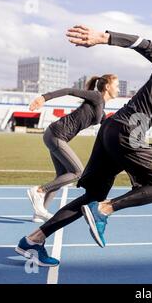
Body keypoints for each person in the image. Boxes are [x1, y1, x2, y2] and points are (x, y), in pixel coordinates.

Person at [15, 25, 152, 267]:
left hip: (111, 131)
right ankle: (105, 210)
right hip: (126, 132)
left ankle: (33, 240)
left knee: (93, 195)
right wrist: (102, 37)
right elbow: (144, 44)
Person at [26, 74, 120, 223]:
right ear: (107, 87)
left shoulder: (101, 108)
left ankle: (40, 211)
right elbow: (69, 90)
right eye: (117, 85)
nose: (119, 89)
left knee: (62, 176)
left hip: (57, 136)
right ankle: (39, 191)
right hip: (56, 135)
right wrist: (43, 98)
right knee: (78, 172)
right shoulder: (96, 96)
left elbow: (108, 126)